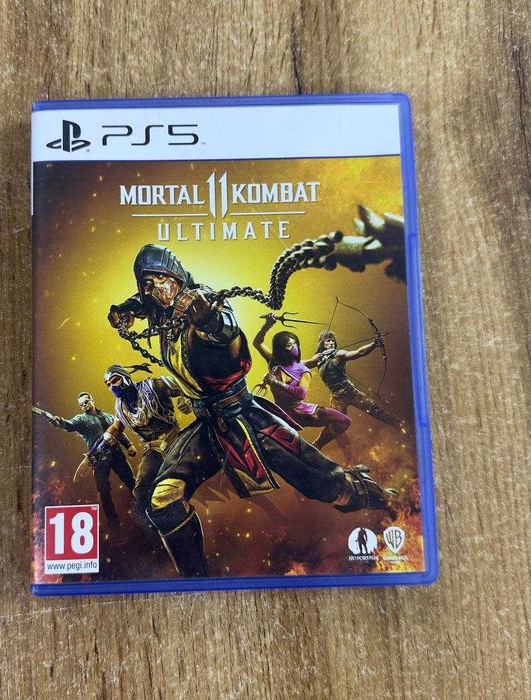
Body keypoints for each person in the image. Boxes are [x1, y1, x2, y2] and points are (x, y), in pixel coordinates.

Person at [108, 244, 397, 577]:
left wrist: (209, 322)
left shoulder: (206, 303)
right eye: (146, 285)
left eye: (158, 281)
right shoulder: (161, 310)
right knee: (163, 501)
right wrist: (124, 310)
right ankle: (197, 583)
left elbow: (230, 337)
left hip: (245, 419)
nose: (154, 291)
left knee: (327, 484)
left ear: (174, 276)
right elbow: (143, 303)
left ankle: (381, 497)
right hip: (206, 426)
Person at [96, 364, 191, 524]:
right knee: (141, 491)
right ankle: (159, 524)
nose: (112, 386)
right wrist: (101, 444)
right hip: (153, 449)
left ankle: (181, 516)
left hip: (175, 440)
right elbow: (116, 427)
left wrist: (185, 399)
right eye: (108, 384)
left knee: (174, 484)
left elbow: (182, 383)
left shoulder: (153, 386)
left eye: (115, 380)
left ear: (125, 377)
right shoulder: (120, 408)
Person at [252, 313, 352, 450]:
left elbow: (301, 393)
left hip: (301, 412)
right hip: (280, 413)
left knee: (344, 420)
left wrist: (276, 383)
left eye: (295, 343)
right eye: (289, 345)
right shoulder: (274, 362)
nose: (294, 347)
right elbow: (257, 343)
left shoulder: (302, 368)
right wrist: (267, 325)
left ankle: (316, 445)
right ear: (281, 349)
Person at [50, 392, 137, 533]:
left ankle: (144, 506)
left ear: (92, 400)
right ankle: (113, 523)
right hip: (98, 458)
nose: (84, 405)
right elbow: (69, 425)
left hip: (117, 454)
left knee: (131, 481)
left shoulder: (108, 416)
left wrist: (129, 445)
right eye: (81, 404)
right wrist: (59, 422)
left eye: (86, 402)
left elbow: (118, 431)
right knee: (104, 491)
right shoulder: (81, 419)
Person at [305, 331, 402, 433]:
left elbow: (359, 352)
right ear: (322, 343)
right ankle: (320, 442)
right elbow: (301, 365)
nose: (332, 343)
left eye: (333, 341)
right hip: (336, 398)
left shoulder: (338, 354)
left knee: (375, 410)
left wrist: (374, 344)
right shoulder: (318, 359)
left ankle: (400, 425)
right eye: (328, 341)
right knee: (336, 424)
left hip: (349, 392)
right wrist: (311, 360)